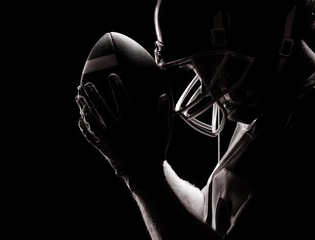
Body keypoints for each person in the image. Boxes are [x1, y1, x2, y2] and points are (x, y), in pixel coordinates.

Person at [76, 0, 315, 239]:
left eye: (216, 64)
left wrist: (143, 178)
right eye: (193, 67)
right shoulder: (269, 107)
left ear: (259, 33)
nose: (207, 86)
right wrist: (144, 158)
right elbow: (208, 218)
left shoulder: (304, 125)